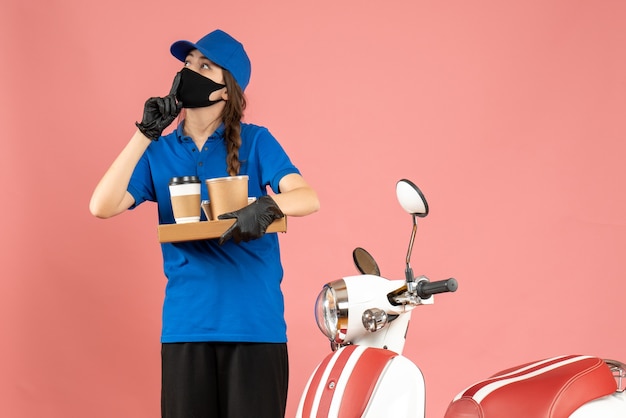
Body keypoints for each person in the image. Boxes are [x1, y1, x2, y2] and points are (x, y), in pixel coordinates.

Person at [89, 29, 320, 418]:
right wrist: (144, 135)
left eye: (204, 66)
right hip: (186, 329)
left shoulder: (256, 141)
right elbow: (102, 206)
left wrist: (264, 207)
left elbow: (307, 198)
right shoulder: (158, 151)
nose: (188, 72)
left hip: (254, 328)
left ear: (226, 90)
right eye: (187, 64)